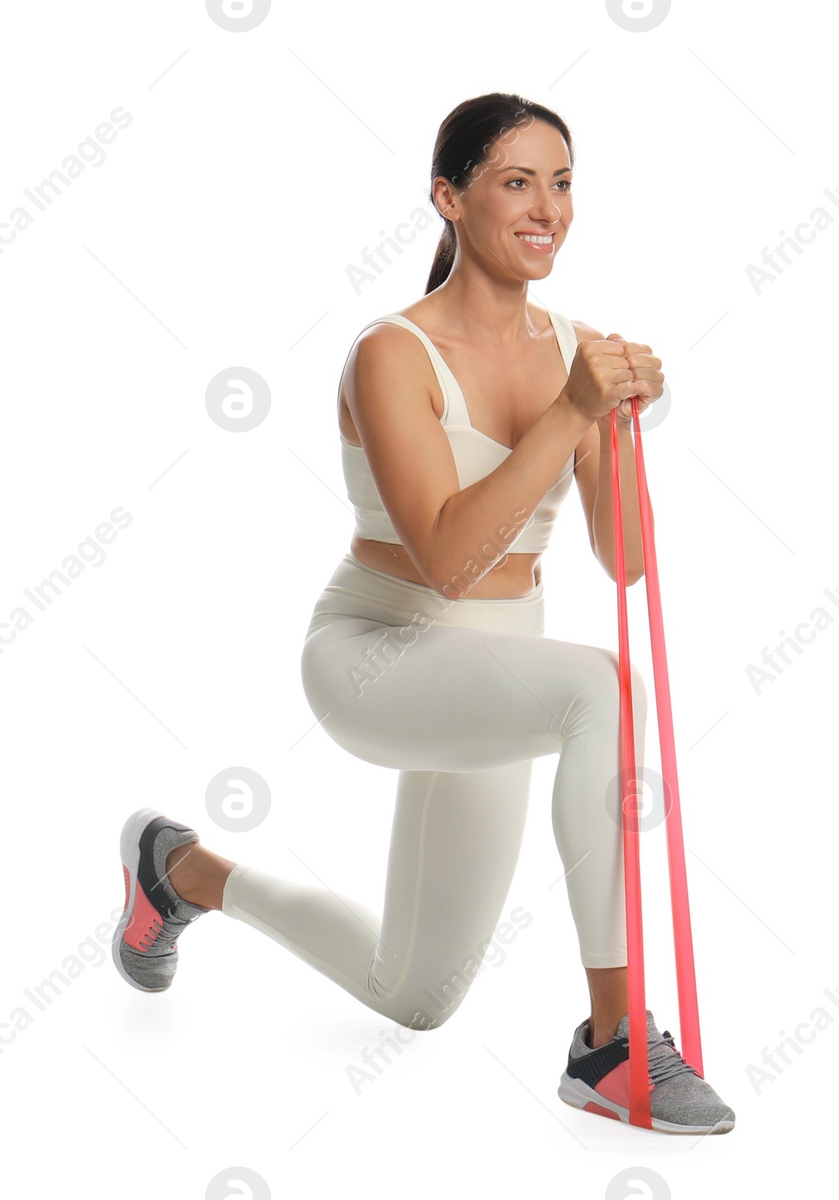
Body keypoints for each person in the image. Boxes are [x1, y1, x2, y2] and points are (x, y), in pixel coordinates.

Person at [112, 93, 734, 1135]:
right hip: (377, 653)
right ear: (447, 197)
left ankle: (178, 872)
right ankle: (614, 1040)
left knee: (416, 994)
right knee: (603, 689)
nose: (548, 207)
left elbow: (625, 561)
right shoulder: (390, 353)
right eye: (516, 181)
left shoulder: (571, 348)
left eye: (563, 181)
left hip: (499, 678)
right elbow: (445, 560)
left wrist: (614, 425)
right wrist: (572, 409)